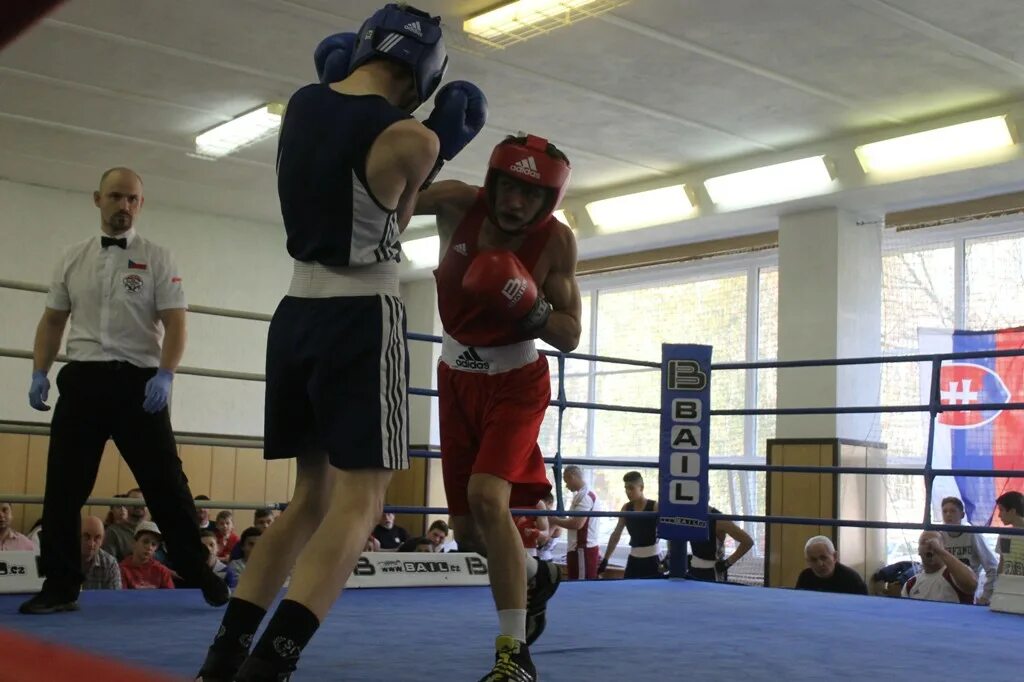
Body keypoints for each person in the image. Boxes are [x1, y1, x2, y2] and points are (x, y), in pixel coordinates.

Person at [195, 6, 484, 681]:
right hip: (361, 315)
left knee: (309, 499)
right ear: (424, 74)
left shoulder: (300, 105)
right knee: (363, 501)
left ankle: (223, 657)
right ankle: (272, 663)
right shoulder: (412, 139)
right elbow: (394, 220)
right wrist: (439, 138)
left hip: (294, 314)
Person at [20, 167, 227, 615]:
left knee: (167, 486)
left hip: (139, 383)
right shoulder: (71, 258)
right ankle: (60, 586)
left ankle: (200, 571)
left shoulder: (159, 257)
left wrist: (166, 374)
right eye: (116, 197)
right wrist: (40, 369)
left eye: (132, 199)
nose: (124, 206)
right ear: (98, 199)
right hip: (84, 379)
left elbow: (176, 322)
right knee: (63, 489)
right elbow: (53, 319)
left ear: (141, 204)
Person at [416, 129, 579, 680]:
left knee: (490, 497)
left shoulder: (556, 242)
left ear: (546, 201)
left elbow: (571, 332)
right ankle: (537, 575)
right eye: (509, 188)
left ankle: (513, 657)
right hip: (455, 376)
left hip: (516, 379)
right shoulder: (456, 202)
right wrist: (422, 140)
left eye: (530, 196)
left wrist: (529, 307)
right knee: (468, 534)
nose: (516, 203)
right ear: (494, 182)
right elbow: (379, 199)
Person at [599, 471, 661, 579]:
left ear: (641, 488)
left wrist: (670, 555)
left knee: (653, 593)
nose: (627, 492)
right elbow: (616, 534)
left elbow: (668, 530)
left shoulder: (654, 506)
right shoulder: (626, 508)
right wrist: (606, 559)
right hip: (634, 559)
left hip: (653, 558)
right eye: (626, 488)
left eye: (631, 488)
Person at [939, 496, 998, 604]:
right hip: (942, 592)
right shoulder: (938, 536)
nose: (948, 514)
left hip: (967, 590)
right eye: (945, 511)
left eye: (952, 511)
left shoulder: (972, 534)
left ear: (962, 514)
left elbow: (992, 567)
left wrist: (986, 596)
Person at [551, 466, 600, 581]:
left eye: (566, 481)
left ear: (571, 477)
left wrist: (554, 520)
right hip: (579, 549)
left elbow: (577, 524)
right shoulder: (583, 494)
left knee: (580, 585)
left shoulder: (586, 496)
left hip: (582, 549)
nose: (567, 486)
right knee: (576, 582)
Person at [902, 530, 977, 603]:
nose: (930, 545)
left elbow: (971, 585)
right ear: (919, 551)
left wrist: (939, 550)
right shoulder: (910, 585)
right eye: (924, 542)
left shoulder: (954, 574)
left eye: (935, 542)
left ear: (945, 549)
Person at [687, 506, 754, 582]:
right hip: (693, 571)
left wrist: (727, 563)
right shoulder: (690, 514)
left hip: (713, 573)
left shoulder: (719, 519)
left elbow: (748, 542)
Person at [794, 535, 868, 595]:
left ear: (835, 557)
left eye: (823, 558)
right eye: (813, 560)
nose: (820, 564)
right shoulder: (805, 577)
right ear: (808, 562)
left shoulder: (852, 579)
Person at [119, 521, 175, 590]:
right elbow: (121, 598)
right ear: (134, 543)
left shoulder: (162, 571)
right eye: (145, 542)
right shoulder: (122, 569)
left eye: (153, 544)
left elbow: (170, 598)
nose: (149, 547)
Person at [80, 516, 121, 590]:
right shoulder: (62, 559)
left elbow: (115, 599)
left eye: (97, 538)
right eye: (86, 536)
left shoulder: (110, 564)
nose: (91, 544)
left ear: (102, 541)